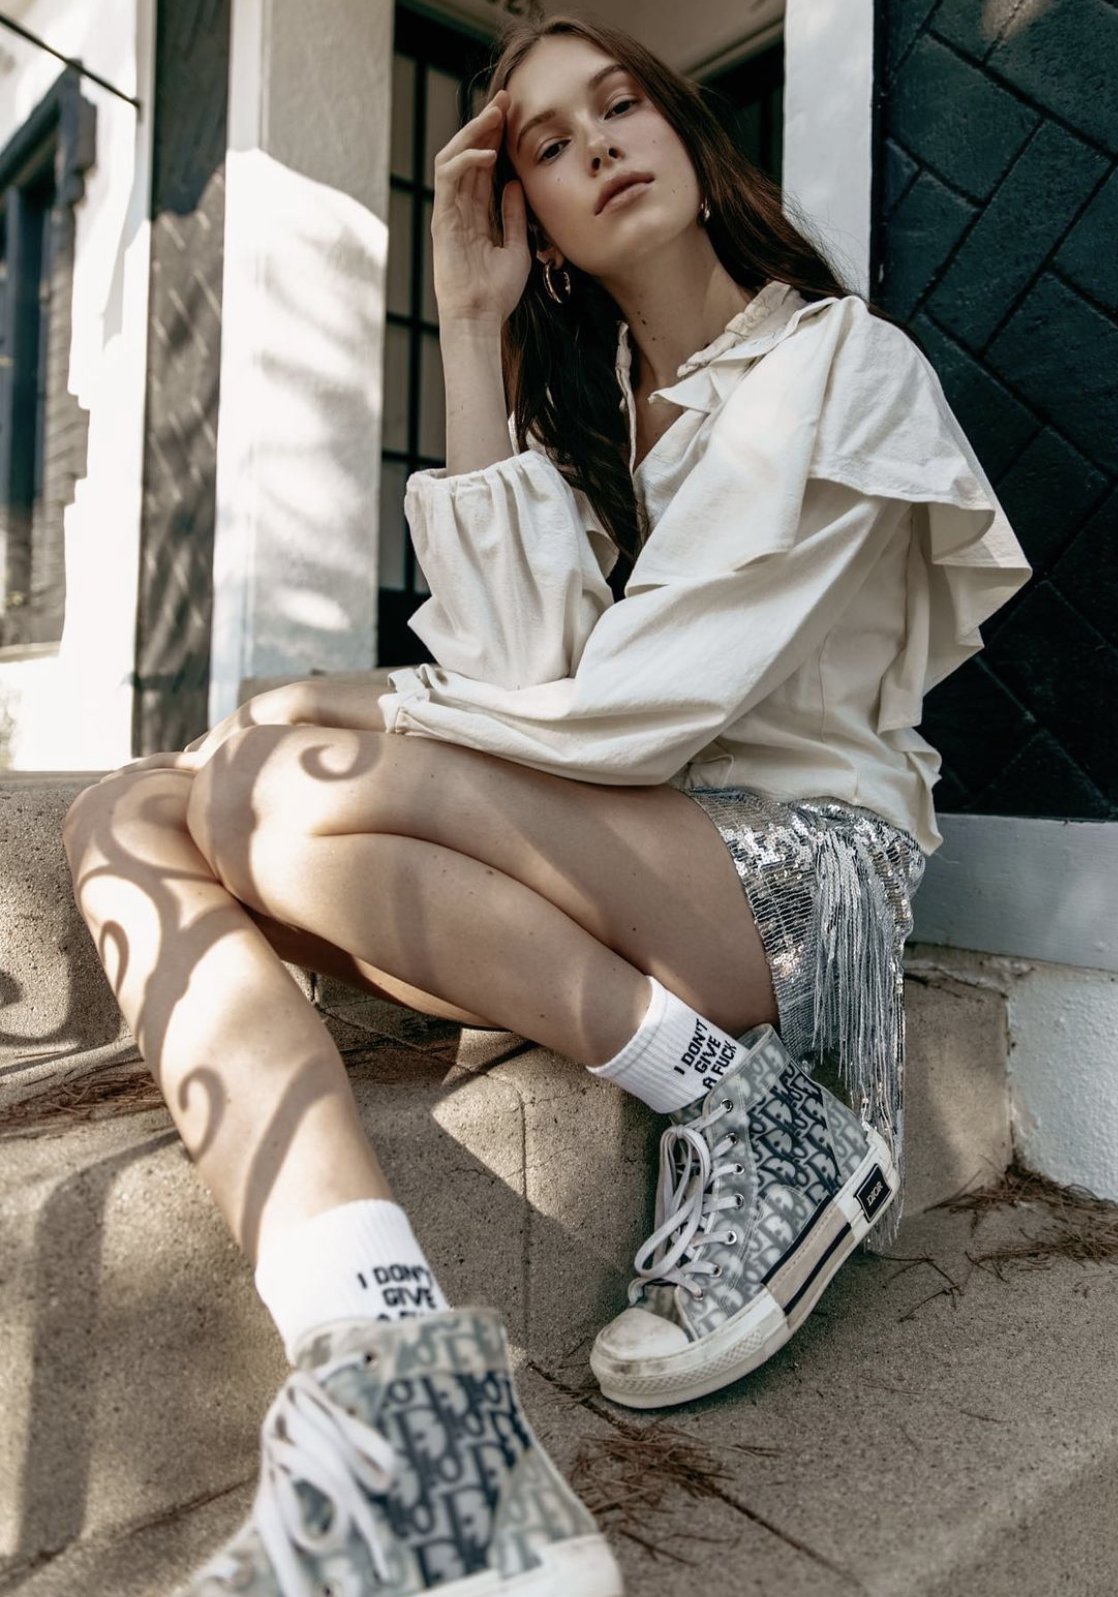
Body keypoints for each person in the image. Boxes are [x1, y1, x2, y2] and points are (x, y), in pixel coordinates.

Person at [61, 14, 1032, 1596]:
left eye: (622, 105)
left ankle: (752, 1105)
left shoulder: (838, 367)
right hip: (604, 856)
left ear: (690, 137)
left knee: (279, 773)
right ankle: (394, 1382)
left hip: (790, 885)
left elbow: (629, 715)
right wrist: (468, 325)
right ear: (542, 221)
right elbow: (515, 676)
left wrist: (349, 705)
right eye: (552, 146)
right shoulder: (599, 420)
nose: (599, 148)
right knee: (127, 811)